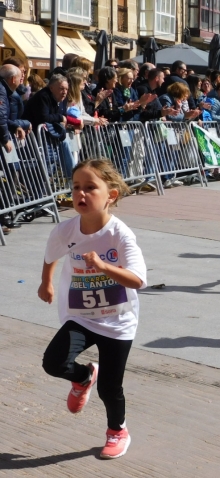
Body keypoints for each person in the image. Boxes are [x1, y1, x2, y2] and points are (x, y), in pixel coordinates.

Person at [38, 159, 147, 459]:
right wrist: (46, 283)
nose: (80, 194)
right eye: (75, 188)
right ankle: (83, 377)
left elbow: (138, 279)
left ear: (111, 195)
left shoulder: (120, 235)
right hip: (81, 317)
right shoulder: (66, 230)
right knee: (53, 362)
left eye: (90, 188)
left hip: (117, 321)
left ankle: (117, 431)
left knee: (110, 388)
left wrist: (103, 266)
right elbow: (51, 255)